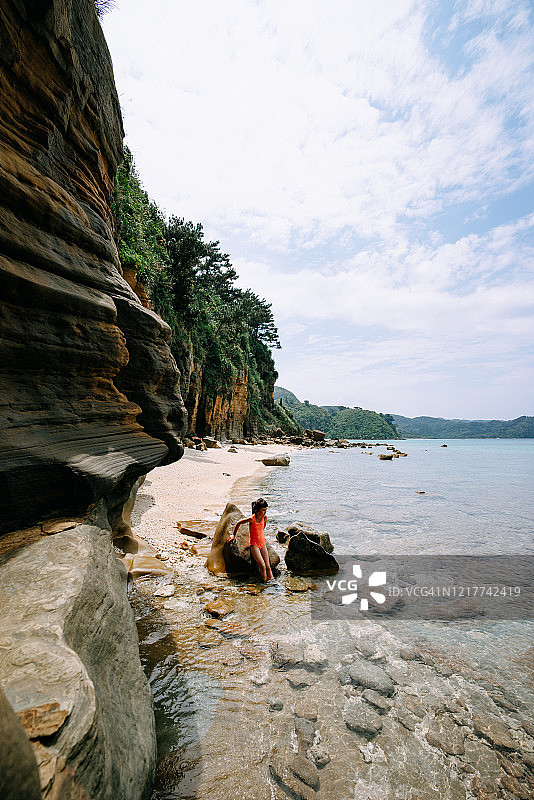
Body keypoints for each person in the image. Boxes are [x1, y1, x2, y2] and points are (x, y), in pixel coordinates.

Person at [227, 498, 274, 581]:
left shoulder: (264, 518)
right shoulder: (252, 519)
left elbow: (262, 528)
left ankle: (272, 583)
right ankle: (265, 583)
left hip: (262, 544)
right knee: (262, 566)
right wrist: (233, 535)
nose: (265, 512)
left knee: (268, 566)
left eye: (266, 510)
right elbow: (238, 523)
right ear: (256, 510)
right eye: (263, 510)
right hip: (254, 545)